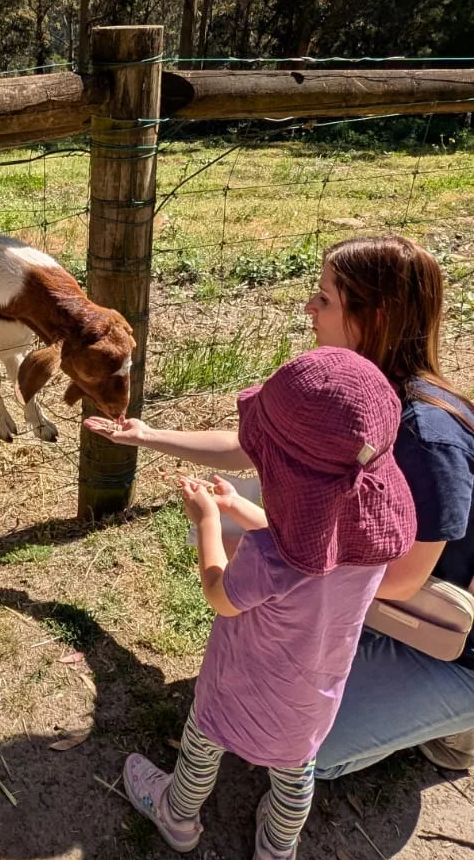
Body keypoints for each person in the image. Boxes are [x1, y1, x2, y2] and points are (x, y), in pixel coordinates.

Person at [86, 234, 474, 777]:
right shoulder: (355, 393)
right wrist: (148, 436)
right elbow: (255, 448)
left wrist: (272, 555)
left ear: (376, 316)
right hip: (360, 585)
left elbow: (405, 581)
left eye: (326, 299)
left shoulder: (429, 439)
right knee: (242, 497)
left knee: (304, 750)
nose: (309, 308)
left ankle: (454, 730)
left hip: (440, 636)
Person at [121, 347, 415, 860]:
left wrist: (209, 522)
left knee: (203, 741)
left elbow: (220, 595)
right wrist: (240, 508)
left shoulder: (269, 559)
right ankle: (276, 857)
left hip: (239, 683)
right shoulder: (370, 533)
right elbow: (309, 540)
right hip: (314, 693)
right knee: (295, 771)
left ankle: (176, 814)